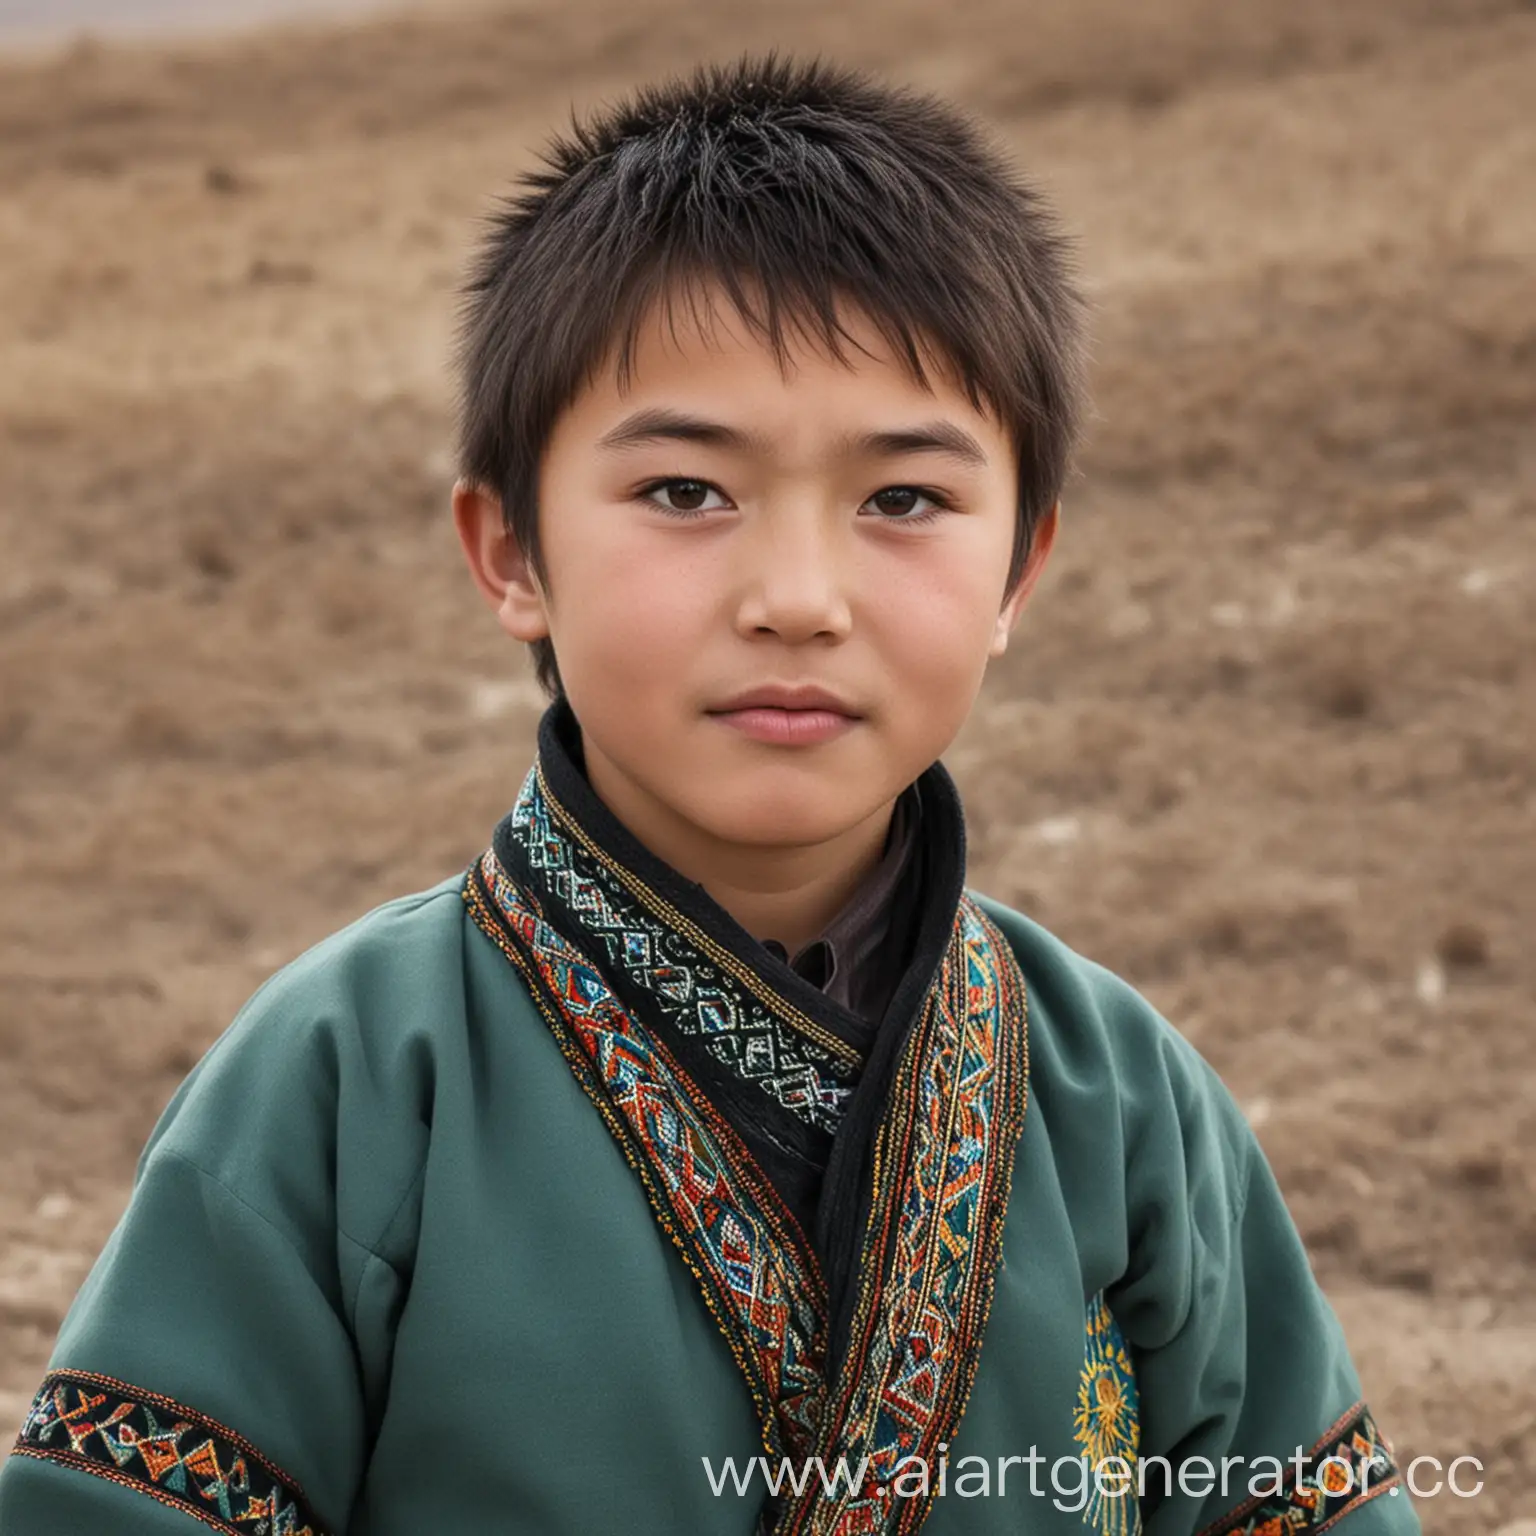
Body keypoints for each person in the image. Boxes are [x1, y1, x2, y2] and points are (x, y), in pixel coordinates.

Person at [0, 55, 1416, 1536]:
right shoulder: (345, 1082)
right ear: (510, 556)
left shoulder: (1122, 1096)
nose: (798, 600)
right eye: (686, 492)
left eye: (903, 500)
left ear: (1023, 569)